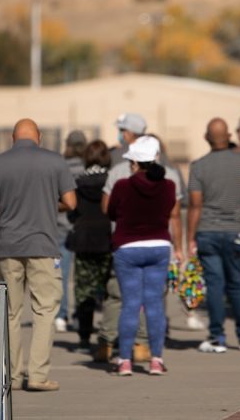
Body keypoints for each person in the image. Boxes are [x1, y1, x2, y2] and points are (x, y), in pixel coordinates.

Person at [0, 118, 76, 392]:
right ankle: (37, 375)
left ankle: (11, 375)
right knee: (45, 309)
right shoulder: (55, 161)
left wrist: (10, 207)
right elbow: (71, 202)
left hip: (8, 246)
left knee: (11, 312)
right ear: (40, 137)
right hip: (43, 245)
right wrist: (46, 204)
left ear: (13, 138)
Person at [96, 116, 184, 363]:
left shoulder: (118, 176)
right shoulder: (171, 179)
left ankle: (112, 347)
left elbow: (107, 209)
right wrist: (179, 248)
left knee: (123, 300)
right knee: (154, 302)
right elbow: (175, 215)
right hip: (159, 244)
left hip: (125, 244)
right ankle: (149, 351)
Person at [187, 118, 240, 352]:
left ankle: (217, 337)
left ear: (207, 138)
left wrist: (190, 237)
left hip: (207, 230)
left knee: (215, 285)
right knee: (236, 284)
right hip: (235, 229)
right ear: (228, 137)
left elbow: (195, 206)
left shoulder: (198, 166)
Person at [66, 140, 112, 353]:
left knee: (84, 290)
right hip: (108, 240)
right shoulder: (113, 180)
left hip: (84, 240)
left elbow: (71, 211)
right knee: (110, 291)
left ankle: (84, 337)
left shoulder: (77, 182)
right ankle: (109, 336)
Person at [55, 130, 87, 333]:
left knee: (62, 275)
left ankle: (61, 315)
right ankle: (79, 315)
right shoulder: (87, 168)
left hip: (60, 226)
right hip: (83, 227)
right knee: (82, 276)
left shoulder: (59, 167)